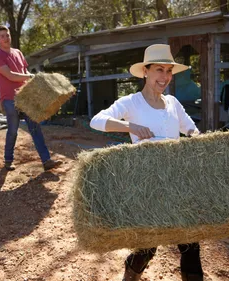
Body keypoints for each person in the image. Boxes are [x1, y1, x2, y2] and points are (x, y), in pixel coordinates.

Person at [89, 44, 203, 281]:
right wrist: (130, 126)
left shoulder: (173, 103)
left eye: (169, 71)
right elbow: (97, 121)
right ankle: (131, 272)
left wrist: (205, 141)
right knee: (148, 245)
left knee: (190, 242)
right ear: (145, 72)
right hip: (147, 185)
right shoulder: (131, 102)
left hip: (176, 180)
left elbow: (193, 131)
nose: (165, 77)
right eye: (159, 70)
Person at [0, 25, 62, 171]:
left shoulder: (18, 53)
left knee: (35, 127)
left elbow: (24, 71)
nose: (6, 38)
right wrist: (31, 76)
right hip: (10, 98)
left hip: (25, 97)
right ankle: (8, 160)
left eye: (7, 35)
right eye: (2, 36)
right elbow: (10, 75)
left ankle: (46, 160)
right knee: (13, 129)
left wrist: (34, 84)